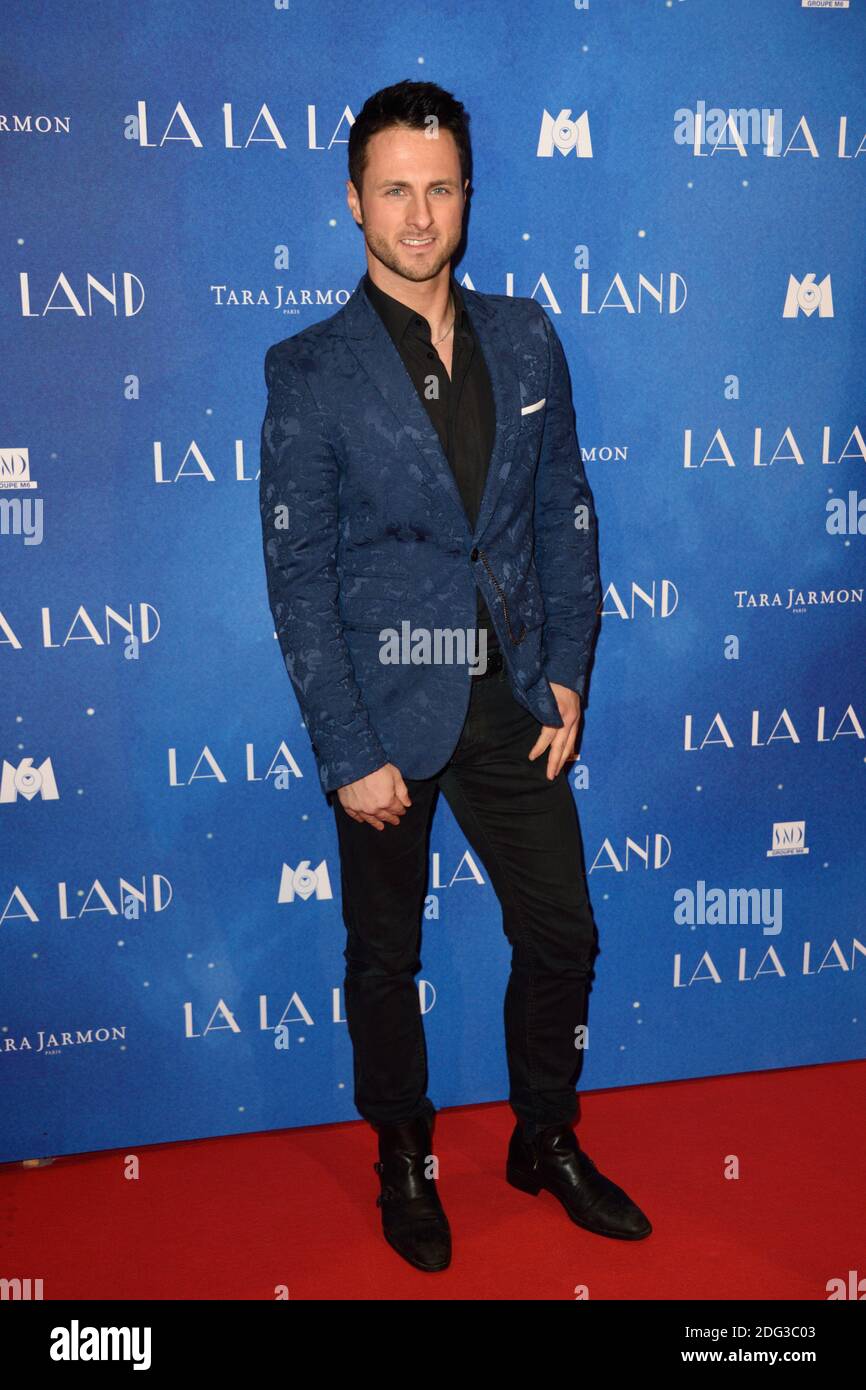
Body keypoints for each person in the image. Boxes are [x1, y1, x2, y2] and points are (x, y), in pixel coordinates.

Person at [258, 79, 651, 1273]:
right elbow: (299, 574)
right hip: (383, 711)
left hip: (510, 700)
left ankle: (542, 1137)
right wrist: (345, 750)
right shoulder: (309, 369)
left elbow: (559, 513)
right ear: (353, 202)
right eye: (393, 190)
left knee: (565, 933)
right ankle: (404, 1158)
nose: (418, 215)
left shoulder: (525, 333)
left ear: (466, 194)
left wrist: (567, 667)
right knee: (384, 959)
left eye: (438, 188)